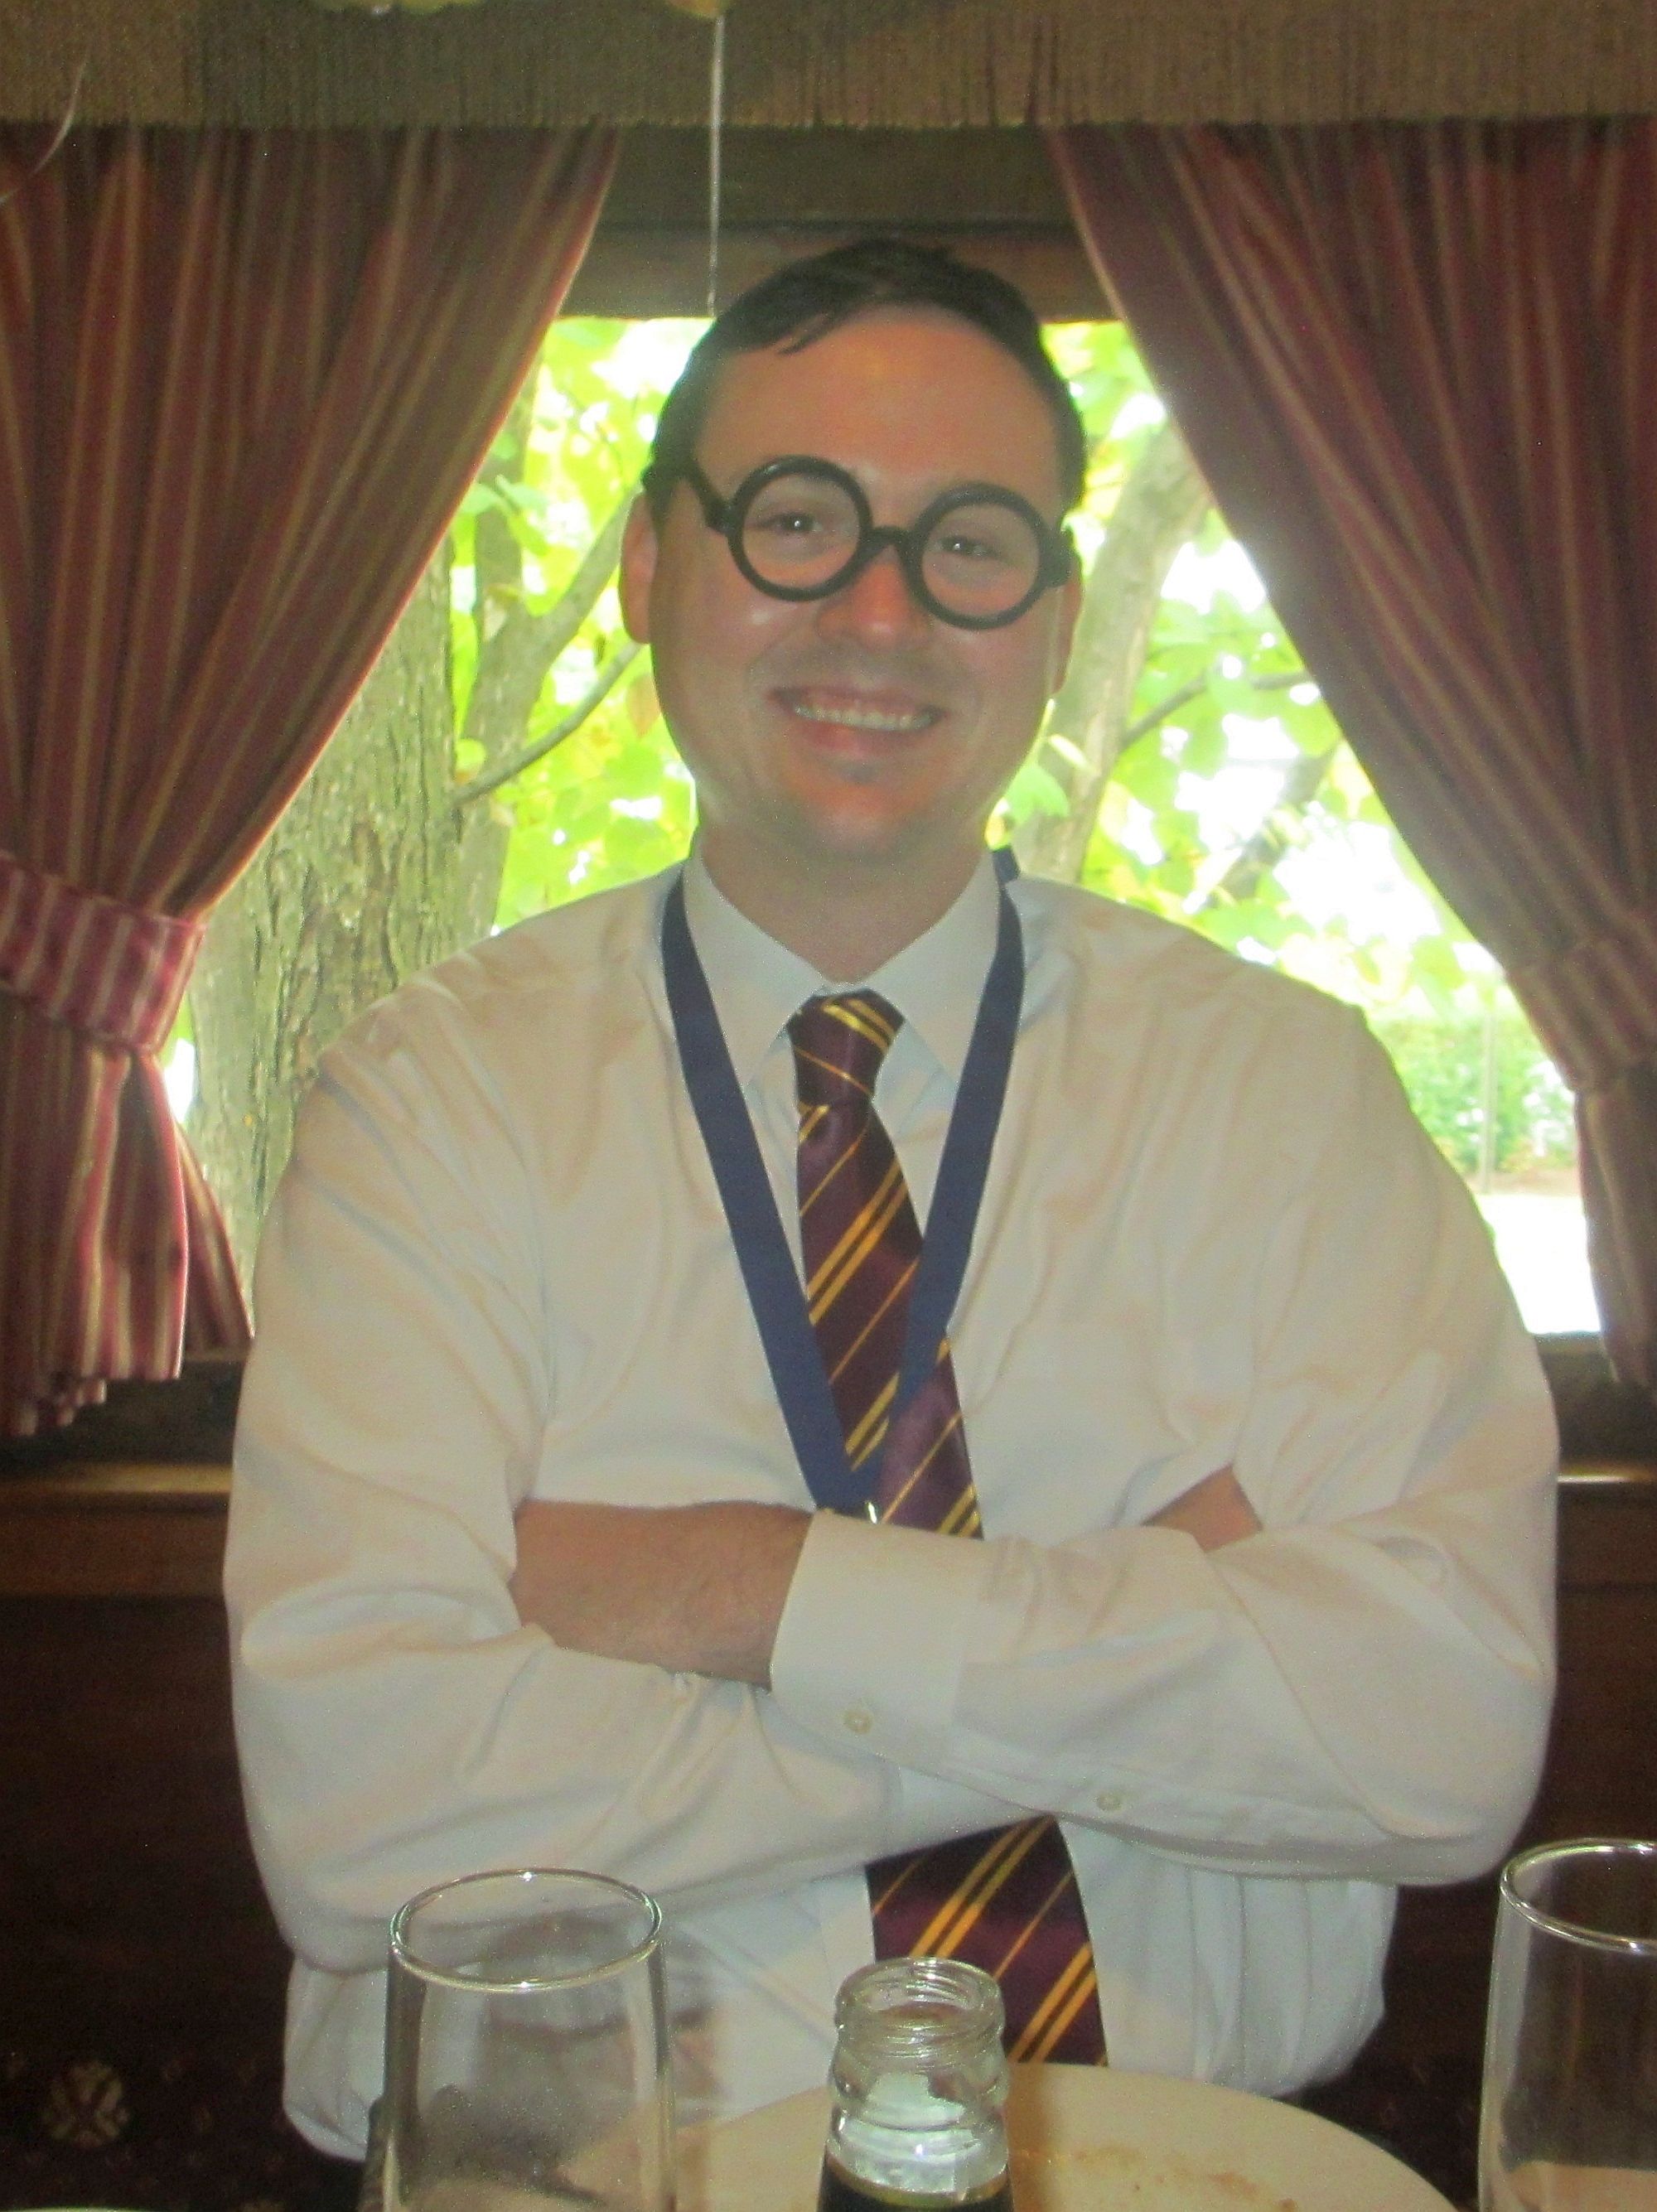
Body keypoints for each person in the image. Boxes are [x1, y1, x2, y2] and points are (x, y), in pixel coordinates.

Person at [225, 239, 1556, 2172]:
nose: (878, 610)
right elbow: (364, 1821)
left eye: (969, 544)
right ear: (650, 568)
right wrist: (1149, 1635)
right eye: (796, 520)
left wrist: (738, 1592)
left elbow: (1438, 1739)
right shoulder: (427, 1113)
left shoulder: (1287, 1097)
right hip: (588, 2187)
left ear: (1053, 619)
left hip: (1201, 2174)